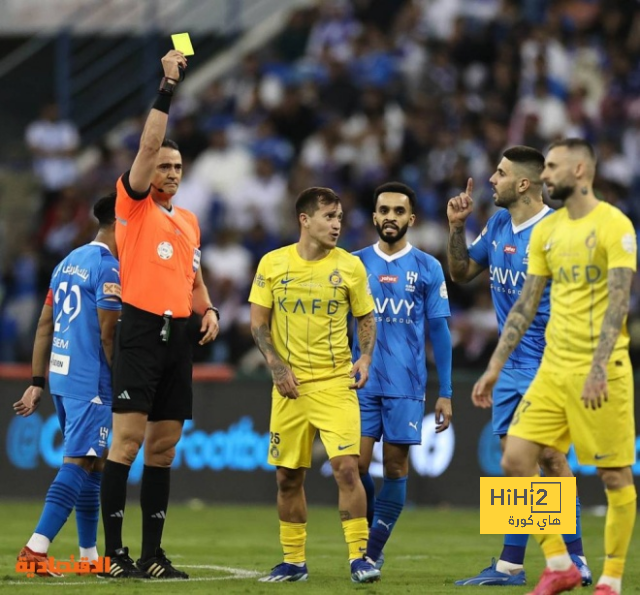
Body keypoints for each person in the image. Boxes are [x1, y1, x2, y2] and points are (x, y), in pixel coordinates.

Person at [473, 138, 637, 595]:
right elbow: (523, 307)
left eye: (553, 168)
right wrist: (493, 366)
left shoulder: (615, 227)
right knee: (514, 459)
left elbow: (619, 304)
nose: (546, 176)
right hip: (548, 369)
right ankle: (552, 562)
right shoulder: (546, 232)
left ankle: (609, 577)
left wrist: (600, 365)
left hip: (597, 369)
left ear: (581, 170)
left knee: (612, 474)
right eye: (543, 168)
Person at [99, 50, 220, 579]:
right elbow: (149, 143)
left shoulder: (189, 221)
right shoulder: (134, 206)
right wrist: (167, 88)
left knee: (164, 448)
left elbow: (192, 276)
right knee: (125, 441)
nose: (168, 171)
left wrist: (208, 307)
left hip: (180, 335)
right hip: (143, 328)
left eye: (175, 166)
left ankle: (151, 556)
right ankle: (113, 554)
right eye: (162, 165)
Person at [447, 146, 591, 586]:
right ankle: (511, 564)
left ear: (523, 184)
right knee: (514, 462)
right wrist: (456, 227)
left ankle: (574, 559)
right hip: (509, 365)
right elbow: (461, 271)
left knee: (549, 457)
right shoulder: (496, 225)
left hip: (551, 362)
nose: (492, 179)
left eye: (501, 173)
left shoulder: (556, 231)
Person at [249, 186, 381, 584]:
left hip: (335, 382)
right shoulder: (272, 264)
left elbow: (366, 317)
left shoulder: (350, 267)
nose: (337, 224)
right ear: (305, 220)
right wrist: (276, 366)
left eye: (340, 217)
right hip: (289, 388)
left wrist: (365, 356)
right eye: (329, 217)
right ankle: (293, 562)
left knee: (347, 467)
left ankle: (361, 558)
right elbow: (258, 323)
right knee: (288, 477)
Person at [14, 194, 121, 576]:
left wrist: (37, 381)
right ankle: (35, 550)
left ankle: (89, 557)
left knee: (94, 463)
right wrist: (123, 381)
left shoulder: (67, 262)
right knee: (80, 461)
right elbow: (109, 335)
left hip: (62, 376)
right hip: (92, 380)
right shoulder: (108, 268)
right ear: (119, 224)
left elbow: (45, 325)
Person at [352, 182, 453, 570]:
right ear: (374, 216)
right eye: (384, 210)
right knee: (355, 466)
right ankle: (365, 543)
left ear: (411, 218)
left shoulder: (428, 266)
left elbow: (440, 332)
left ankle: (371, 553)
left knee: (395, 467)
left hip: (406, 384)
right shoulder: (354, 263)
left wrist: (445, 391)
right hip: (359, 380)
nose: (390, 217)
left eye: (398, 211)